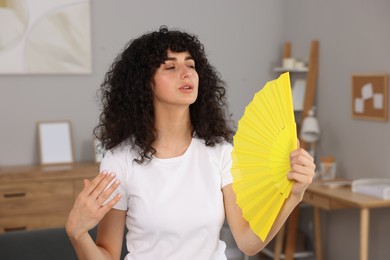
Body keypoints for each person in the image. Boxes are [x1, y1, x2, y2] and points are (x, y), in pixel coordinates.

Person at [65, 26, 315, 260]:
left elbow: (248, 242)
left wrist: (294, 195)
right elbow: (107, 254)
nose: (186, 73)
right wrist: (77, 234)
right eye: (170, 67)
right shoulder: (119, 160)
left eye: (191, 65)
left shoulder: (220, 152)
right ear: (144, 83)